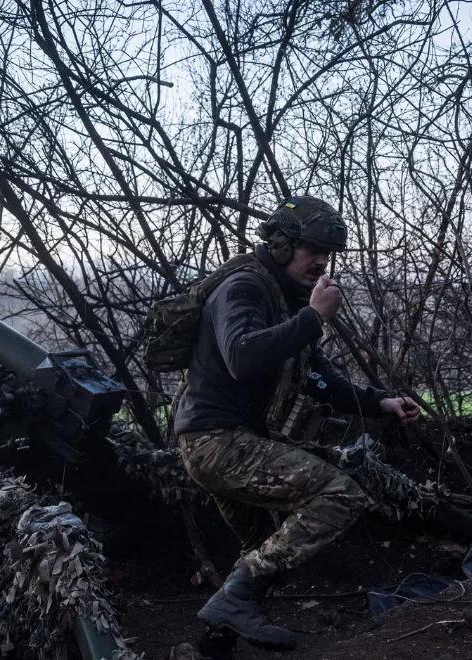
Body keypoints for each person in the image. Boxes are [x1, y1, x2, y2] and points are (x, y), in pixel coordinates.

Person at [172, 195, 420, 650]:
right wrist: (313, 317)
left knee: (266, 548)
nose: (321, 262)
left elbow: (318, 379)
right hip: (214, 441)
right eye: (313, 250)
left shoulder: (284, 298)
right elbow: (241, 358)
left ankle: (207, 647)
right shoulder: (245, 287)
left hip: (232, 441)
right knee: (338, 495)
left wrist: (379, 402)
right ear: (283, 245)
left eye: (327, 253)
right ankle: (231, 607)